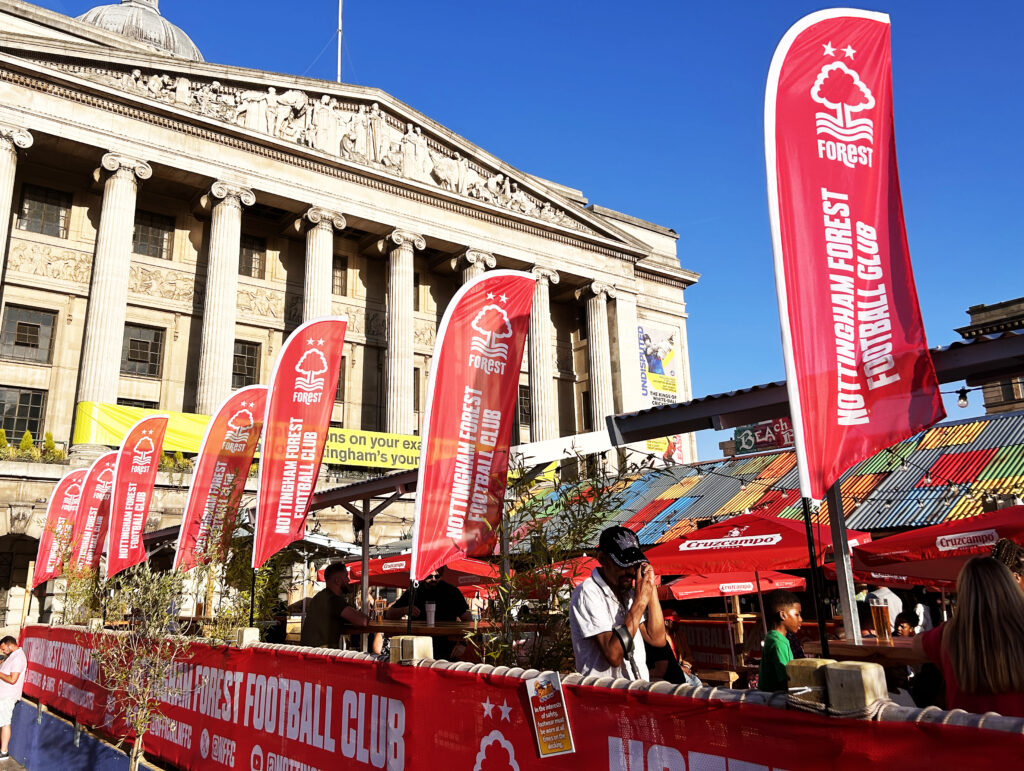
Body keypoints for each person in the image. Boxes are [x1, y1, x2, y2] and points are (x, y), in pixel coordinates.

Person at [913, 557, 1024, 717]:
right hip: (1017, 737)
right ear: (1010, 587)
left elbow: (916, 645)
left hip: (966, 737)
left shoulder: (949, 633)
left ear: (964, 592)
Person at [569, 526, 666, 680]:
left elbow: (657, 639)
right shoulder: (588, 592)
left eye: (634, 565)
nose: (630, 571)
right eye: (622, 564)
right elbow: (614, 655)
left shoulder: (627, 593)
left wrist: (650, 589)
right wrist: (640, 602)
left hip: (634, 691)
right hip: (606, 695)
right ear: (602, 559)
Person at [385, 566, 472, 660]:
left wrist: (463, 644)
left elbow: (468, 620)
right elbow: (390, 614)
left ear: (442, 574)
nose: (433, 579)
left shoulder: (451, 591)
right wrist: (406, 610)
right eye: (429, 576)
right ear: (424, 574)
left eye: (437, 576)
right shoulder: (415, 590)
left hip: (446, 648)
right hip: (418, 647)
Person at [300, 562, 369, 648]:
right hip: (320, 655)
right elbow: (363, 621)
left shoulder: (320, 596)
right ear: (337, 581)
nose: (348, 580)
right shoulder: (333, 600)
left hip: (309, 653)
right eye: (346, 577)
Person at [758, 590, 802, 692]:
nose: (800, 619)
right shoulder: (778, 643)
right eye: (797, 614)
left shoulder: (773, 638)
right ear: (783, 615)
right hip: (774, 701)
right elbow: (786, 681)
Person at [0, 636, 27, 761]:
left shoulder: (18, 658)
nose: (2, 651)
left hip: (7, 696)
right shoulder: (12, 656)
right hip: (3, 694)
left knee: (5, 722)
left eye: (3, 648)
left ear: (9, 645)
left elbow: (12, 679)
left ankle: (4, 752)